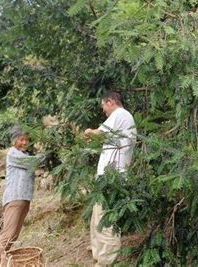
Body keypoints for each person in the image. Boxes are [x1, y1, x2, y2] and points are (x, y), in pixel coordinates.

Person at [84, 91, 137, 267]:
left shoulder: (120, 114)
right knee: (97, 217)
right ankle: (98, 252)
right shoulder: (124, 119)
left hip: (112, 178)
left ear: (111, 102)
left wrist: (88, 131)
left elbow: (99, 133)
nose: (103, 111)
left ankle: (106, 261)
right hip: (108, 177)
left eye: (104, 106)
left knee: (106, 221)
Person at [0, 126, 36, 266]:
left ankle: (0, 262)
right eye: (21, 139)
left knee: (14, 235)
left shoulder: (26, 154)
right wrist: (48, 154)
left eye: (27, 140)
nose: (24, 142)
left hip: (24, 198)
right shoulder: (13, 153)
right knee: (8, 234)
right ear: (14, 140)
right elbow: (32, 163)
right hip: (14, 198)